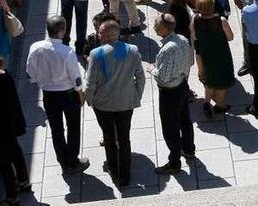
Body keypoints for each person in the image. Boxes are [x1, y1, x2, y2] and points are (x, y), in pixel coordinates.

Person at [84, 19, 146, 187]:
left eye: (101, 32)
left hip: (103, 105)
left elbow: (90, 84)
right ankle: (125, 174)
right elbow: (140, 77)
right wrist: (136, 96)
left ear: (109, 35)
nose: (98, 34)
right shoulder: (132, 50)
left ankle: (113, 169)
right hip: (126, 103)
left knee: (109, 137)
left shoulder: (96, 54)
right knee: (124, 137)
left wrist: (90, 100)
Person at [26, 16, 89, 174]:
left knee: (56, 129)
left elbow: (30, 72)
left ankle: (63, 160)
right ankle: (73, 160)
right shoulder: (66, 51)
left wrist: (40, 80)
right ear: (63, 30)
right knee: (73, 127)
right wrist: (80, 92)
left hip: (48, 95)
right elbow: (75, 76)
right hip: (68, 94)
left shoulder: (35, 47)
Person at [149, 14, 195, 175]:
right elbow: (188, 61)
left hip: (170, 93)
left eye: (156, 25)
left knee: (170, 129)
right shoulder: (182, 39)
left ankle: (174, 162)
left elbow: (163, 77)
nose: (154, 27)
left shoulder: (168, 49)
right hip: (182, 85)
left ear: (164, 28)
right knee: (185, 121)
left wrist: (152, 69)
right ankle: (189, 149)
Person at [192, 0, 235, 118]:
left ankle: (207, 102)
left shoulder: (195, 20)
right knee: (222, 81)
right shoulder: (221, 21)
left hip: (205, 55)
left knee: (209, 79)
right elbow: (230, 37)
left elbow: (194, 37)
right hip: (221, 55)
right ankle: (220, 106)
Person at [0, 51, 29, 202]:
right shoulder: (6, 76)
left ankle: (11, 196)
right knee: (16, 152)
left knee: (3, 163)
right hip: (10, 125)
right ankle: (23, 181)